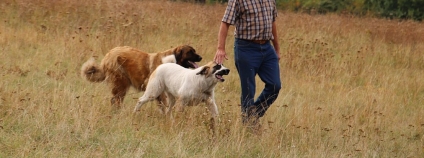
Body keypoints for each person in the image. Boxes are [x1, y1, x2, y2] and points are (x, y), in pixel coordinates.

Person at [214, 0, 281, 130]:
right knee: (248, 89)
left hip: (267, 48)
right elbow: (225, 22)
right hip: (246, 48)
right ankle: (249, 126)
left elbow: (273, 23)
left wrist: (277, 49)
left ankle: (252, 114)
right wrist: (220, 48)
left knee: (275, 86)